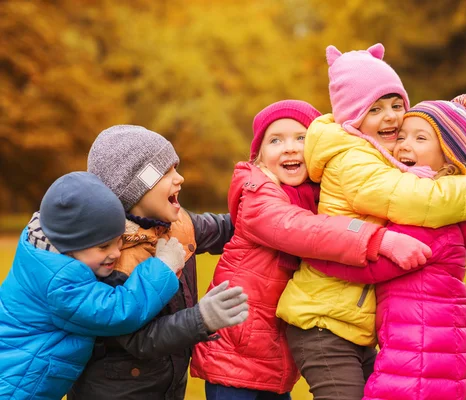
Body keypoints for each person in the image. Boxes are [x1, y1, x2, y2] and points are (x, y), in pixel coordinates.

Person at [276, 44, 466, 400]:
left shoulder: (385, 158)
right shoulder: (353, 159)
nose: (391, 117)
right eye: (375, 109)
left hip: (356, 324)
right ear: (353, 116)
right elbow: (404, 197)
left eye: (396, 105)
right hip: (323, 318)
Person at [190, 100, 432, 400]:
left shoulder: (316, 196)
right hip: (236, 354)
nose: (290, 148)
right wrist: (377, 239)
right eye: (275, 140)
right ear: (259, 157)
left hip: (275, 359)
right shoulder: (259, 193)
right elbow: (302, 230)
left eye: (301, 138)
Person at [68, 126, 248, 399]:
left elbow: (226, 228)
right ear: (136, 189)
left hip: (165, 385)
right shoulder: (108, 260)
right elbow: (139, 339)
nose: (180, 178)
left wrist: (271, 207)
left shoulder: (177, 224)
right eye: (167, 173)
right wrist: (201, 319)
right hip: (118, 391)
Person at [0, 172, 186, 400]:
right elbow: (117, 311)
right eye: (103, 247)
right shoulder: (60, 284)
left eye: (119, 241)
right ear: (70, 246)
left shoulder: (43, 248)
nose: (116, 253)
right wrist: (163, 267)